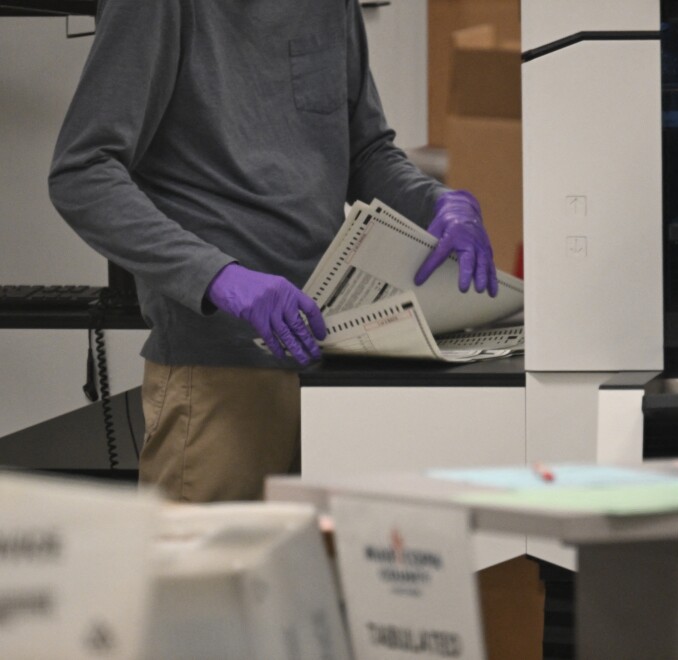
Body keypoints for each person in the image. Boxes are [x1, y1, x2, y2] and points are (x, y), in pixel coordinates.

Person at [48, 0, 498, 502]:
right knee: (206, 580)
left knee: (322, 579)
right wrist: (221, 277)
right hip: (220, 374)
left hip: (337, 361)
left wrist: (436, 203)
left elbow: (365, 151)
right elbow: (82, 173)